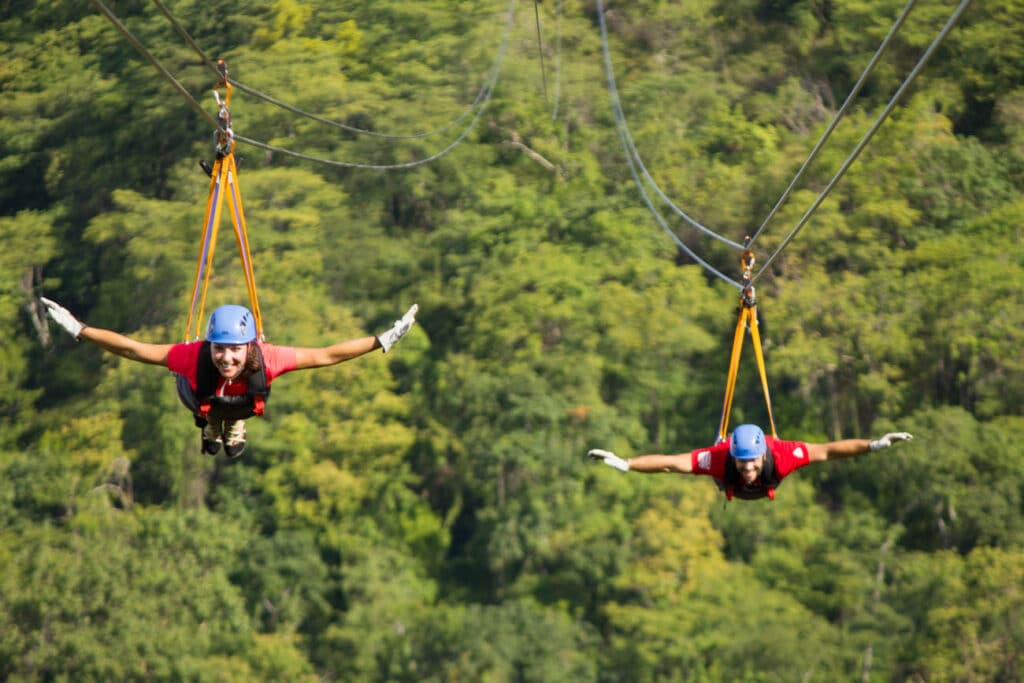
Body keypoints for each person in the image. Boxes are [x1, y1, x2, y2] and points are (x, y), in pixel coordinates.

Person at [40, 297, 418, 458]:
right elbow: (134, 349)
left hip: (242, 404)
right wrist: (80, 330)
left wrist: (381, 341)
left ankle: (228, 426)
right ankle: (213, 425)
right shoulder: (194, 357)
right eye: (220, 349)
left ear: (249, 346)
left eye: (235, 349)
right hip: (199, 396)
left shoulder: (266, 358)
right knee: (208, 397)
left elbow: (326, 355)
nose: (226, 357)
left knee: (238, 401)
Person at [588, 423, 913, 500]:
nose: (748, 469)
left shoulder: (784, 456)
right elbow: (671, 463)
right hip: (724, 480)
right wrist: (626, 464)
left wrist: (874, 445)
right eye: (742, 464)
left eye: (752, 463)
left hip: (767, 484)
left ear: (762, 456)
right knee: (699, 466)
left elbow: (829, 450)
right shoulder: (719, 459)